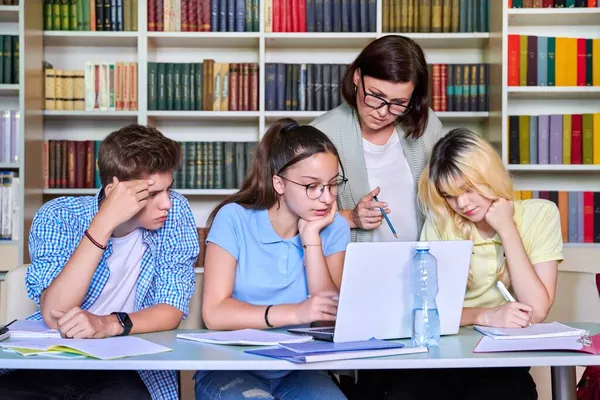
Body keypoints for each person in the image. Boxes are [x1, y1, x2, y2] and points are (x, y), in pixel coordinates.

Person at [0, 124, 199, 400]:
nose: (166, 203)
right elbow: (55, 312)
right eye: (153, 194)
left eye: (169, 189)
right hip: (48, 361)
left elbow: (172, 308)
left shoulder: (176, 214)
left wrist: (108, 324)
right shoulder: (59, 216)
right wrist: (104, 221)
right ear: (113, 191)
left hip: (124, 367)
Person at [383, 128, 563, 400]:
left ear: (488, 175)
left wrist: (507, 229)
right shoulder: (441, 221)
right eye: (449, 195)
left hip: (500, 362)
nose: (461, 203)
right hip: (441, 356)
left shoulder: (541, 214)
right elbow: (426, 311)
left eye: (467, 188)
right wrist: (485, 315)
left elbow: (537, 311)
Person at [195, 118, 350, 400]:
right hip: (231, 367)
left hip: (301, 369)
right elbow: (214, 313)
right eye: (312, 186)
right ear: (279, 182)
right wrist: (296, 313)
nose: (326, 198)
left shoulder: (334, 227)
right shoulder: (234, 218)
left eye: (332, 184)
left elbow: (329, 319)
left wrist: (311, 238)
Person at [310, 34, 445, 243]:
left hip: (422, 261)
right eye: (375, 96)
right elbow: (297, 218)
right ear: (357, 76)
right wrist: (351, 217)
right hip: (352, 268)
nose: (383, 112)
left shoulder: (429, 126)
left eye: (399, 102)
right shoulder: (322, 134)